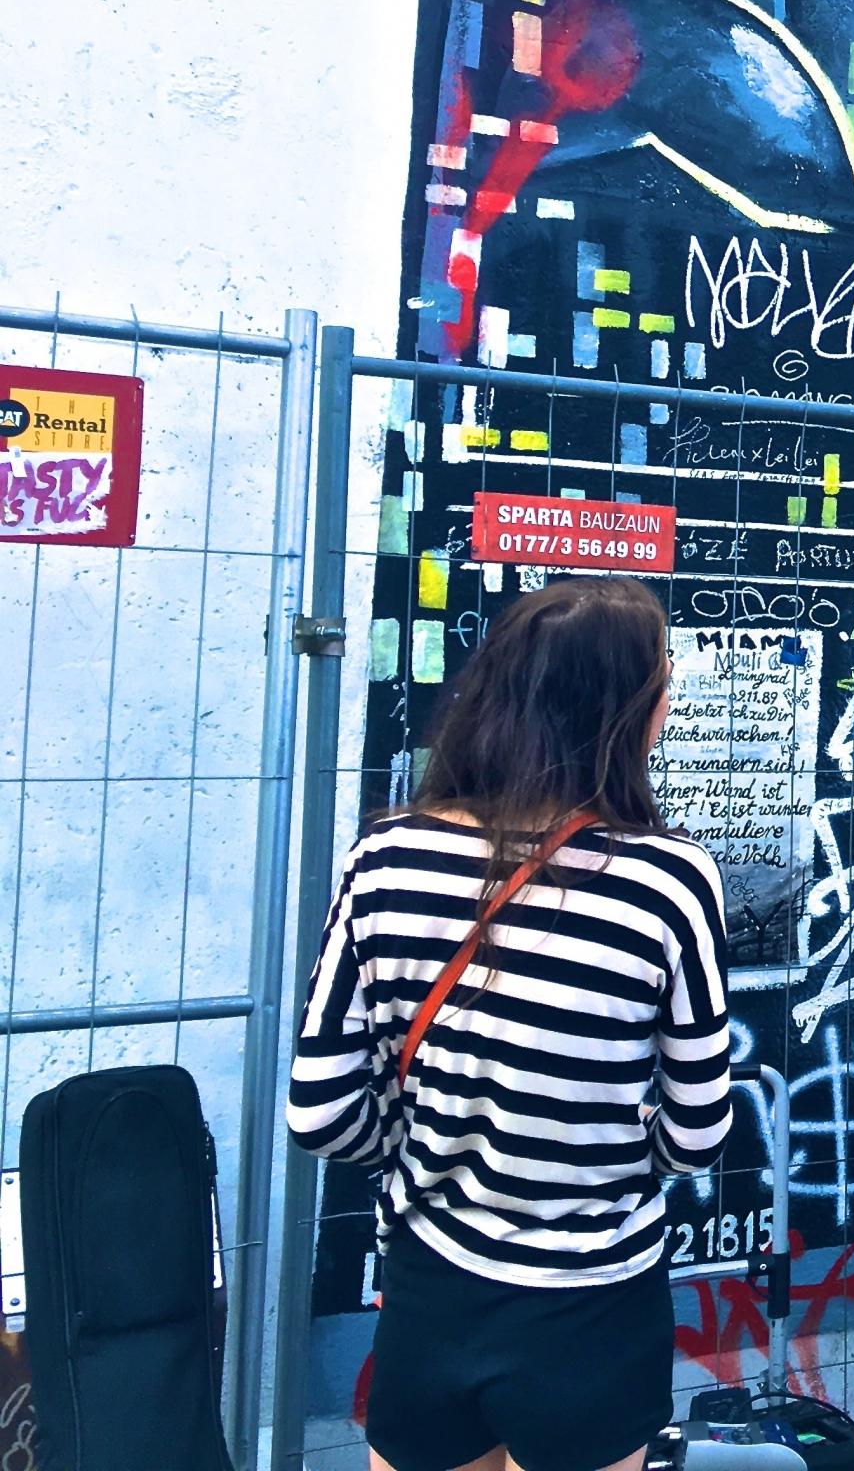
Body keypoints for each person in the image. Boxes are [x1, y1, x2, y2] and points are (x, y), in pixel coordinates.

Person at [288, 576, 732, 1471]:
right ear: (624, 711)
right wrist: (601, 1156)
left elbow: (321, 1109)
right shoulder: (667, 883)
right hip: (592, 1300)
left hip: (429, 1282)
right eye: (663, 680)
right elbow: (699, 1127)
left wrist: (431, 1150)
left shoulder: (386, 856)